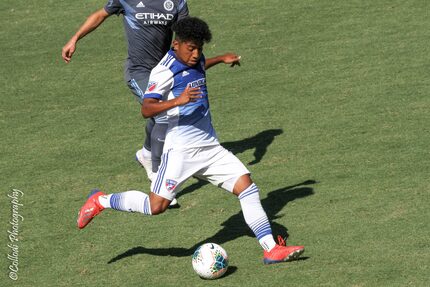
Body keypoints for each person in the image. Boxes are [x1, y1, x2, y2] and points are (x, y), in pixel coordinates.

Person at [76, 17, 305, 265]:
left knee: (248, 188)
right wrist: (177, 101)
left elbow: (199, 67)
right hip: (180, 152)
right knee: (156, 206)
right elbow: (147, 108)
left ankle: (270, 249)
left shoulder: (196, 58)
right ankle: (101, 200)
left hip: (210, 148)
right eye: (191, 48)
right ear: (177, 44)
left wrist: (222, 59)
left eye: (200, 48)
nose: (196, 54)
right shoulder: (163, 71)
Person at [62, 0, 189, 198]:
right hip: (138, 71)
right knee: (163, 115)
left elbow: (185, 34)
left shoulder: (176, 2)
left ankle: (146, 154)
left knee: (161, 116)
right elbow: (99, 15)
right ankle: (158, 179)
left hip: (164, 71)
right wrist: (75, 38)